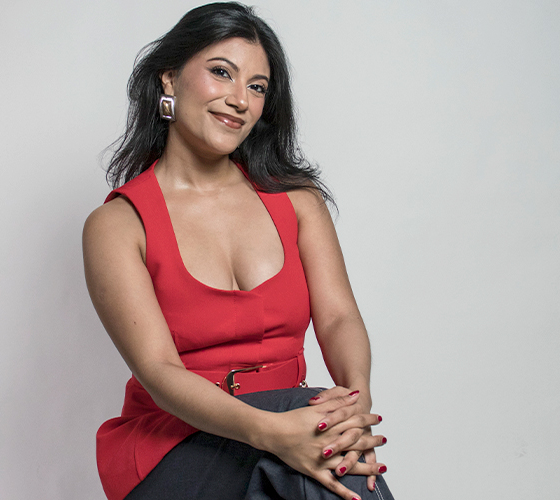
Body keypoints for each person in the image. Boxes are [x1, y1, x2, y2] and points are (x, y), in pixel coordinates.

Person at [82, 3, 393, 500]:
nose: (240, 100)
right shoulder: (118, 225)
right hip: (173, 444)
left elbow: (338, 318)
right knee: (318, 451)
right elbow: (159, 372)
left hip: (292, 423)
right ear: (169, 78)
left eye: (257, 87)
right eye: (221, 72)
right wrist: (278, 434)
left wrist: (354, 406)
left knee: (325, 446)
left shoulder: (298, 202)